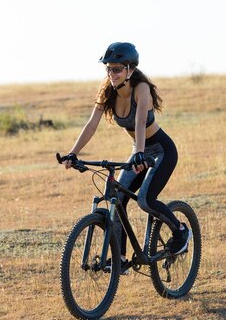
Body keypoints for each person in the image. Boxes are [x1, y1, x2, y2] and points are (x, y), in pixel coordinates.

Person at [62, 42, 191, 272]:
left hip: (161, 151)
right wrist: (73, 153)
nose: (111, 74)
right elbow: (92, 124)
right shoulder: (107, 89)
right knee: (116, 198)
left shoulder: (141, 89)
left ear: (130, 69)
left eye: (117, 69)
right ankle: (119, 259)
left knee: (145, 200)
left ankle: (180, 231)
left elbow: (140, 122)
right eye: (108, 69)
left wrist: (140, 153)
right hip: (138, 151)